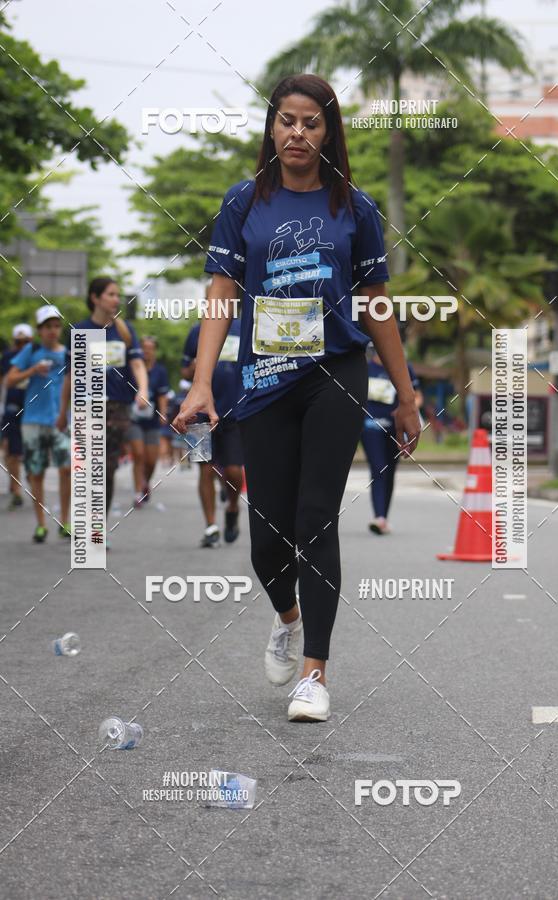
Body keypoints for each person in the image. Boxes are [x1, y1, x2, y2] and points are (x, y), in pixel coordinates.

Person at [173, 74, 420, 722]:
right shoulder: (244, 202)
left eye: (311, 123)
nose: (298, 133)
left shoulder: (355, 209)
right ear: (272, 127)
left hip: (335, 373)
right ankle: (286, 617)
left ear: (329, 131)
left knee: (316, 518)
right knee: (266, 538)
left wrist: (406, 394)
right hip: (264, 379)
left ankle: (316, 671)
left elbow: (378, 307)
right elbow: (222, 293)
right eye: (287, 120)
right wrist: (202, 382)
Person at [57, 278, 149, 536]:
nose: (116, 299)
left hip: (119, 408)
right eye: (110, 294)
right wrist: (62, 412)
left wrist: (142, 390)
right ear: (95, 298)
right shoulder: (80, 330)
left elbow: (138, 364)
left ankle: (98, 527)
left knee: (106, 467)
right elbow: (70, 375)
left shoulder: (125, 330)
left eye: (118, 294)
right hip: (87, 406)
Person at [5, 307, 69, 542]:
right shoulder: (30, 351)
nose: (53, 331)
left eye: (56, 326)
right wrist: (32, 370)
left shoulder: (69, 354)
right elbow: (9, 379)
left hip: (61, 420)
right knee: (36, 472)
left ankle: (65, 521)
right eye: (48, 327)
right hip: (33, 420)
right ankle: (41, 524)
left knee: (67, 470)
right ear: (40, 330)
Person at [181, 315, 244, 546]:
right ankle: (211, 526)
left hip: (235, 412)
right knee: (204, 471)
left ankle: (233, 507)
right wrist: (193, 368)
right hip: (199, 414)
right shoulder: (197, 331)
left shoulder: (246, 326)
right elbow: (184, 372)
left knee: (234, 471)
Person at [361, 344, 423, 535]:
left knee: (389, 470)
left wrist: (409, 408)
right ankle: (378, 517)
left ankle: (383, 518)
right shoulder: (366, 369)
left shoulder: (404, 368)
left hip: (395, 428)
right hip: (370, 427)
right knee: (378, 469)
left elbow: (417, 396)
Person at [127, 335, 170, 507]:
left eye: (150, 348)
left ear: (155, 351)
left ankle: (145, 481)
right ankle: (138, 492)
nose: (147, 351)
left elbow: (162, 395)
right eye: (144, 347)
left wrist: (163, 413)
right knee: (138, 454)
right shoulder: (133, 368)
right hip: (134, 418)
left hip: (152, 419)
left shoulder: (160, 371)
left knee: (151, 460)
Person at [1, 323, 32, 509]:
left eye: (25, 342)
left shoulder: (37, 356)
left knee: (29, 450)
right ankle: (16, 489)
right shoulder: (7, 358)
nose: (22, 346)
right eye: (18, 342)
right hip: (12, 408)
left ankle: (31, 478)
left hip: (32, 408)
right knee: (11, 451)